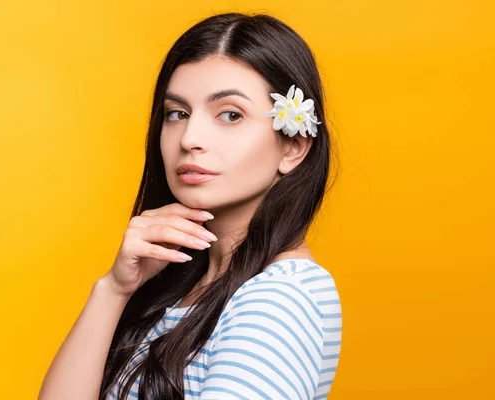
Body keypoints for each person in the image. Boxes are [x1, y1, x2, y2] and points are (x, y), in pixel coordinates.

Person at [38, 11, 342, 400]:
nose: (190, 138)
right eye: (177, 114)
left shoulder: (280, 298)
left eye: (230, 115)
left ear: (293, 146)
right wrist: (112, 290)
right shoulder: (181, 283)